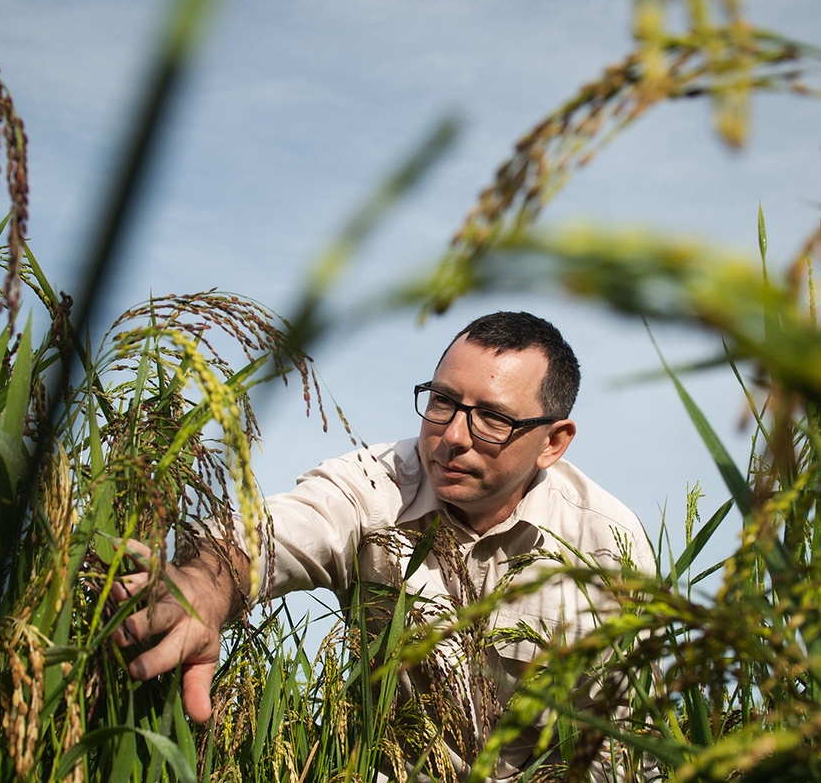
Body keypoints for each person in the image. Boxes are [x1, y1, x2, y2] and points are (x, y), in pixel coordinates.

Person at [112, 310, 655, 781]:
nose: (454, 436)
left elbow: (628, 744)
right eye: (442, 401)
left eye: (492, 418)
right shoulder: (376, 485)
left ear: (553, 443)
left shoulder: (607, 550)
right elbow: (279, 529)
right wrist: (204, 587)